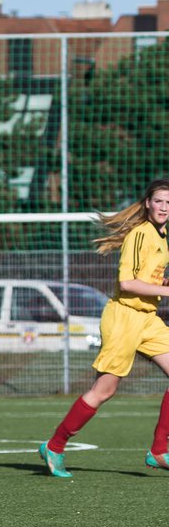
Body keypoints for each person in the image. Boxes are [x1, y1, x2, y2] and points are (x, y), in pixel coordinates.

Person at [40, 178, 169, 479]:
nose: (165, 207)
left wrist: (161, 284)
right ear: (148, 202)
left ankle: (159, 451)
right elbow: (127, 283)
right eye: (160, 200)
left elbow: (146, 279)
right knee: (104, 391)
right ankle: (54, 446)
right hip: (123, 318)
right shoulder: (140, 235)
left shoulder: (161, 236)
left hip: (147, 319)